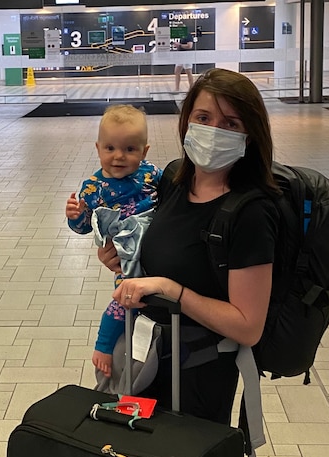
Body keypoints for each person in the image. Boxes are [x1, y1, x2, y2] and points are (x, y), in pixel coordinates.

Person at [98, 68, 280, 425]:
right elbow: (167, 256)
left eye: (230, 123)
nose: (213, 131)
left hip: (199, 376)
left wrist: (170, 289)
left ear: (249, 135)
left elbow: (247, 326)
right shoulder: (173, 178)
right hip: (146, 359)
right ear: (186, 122)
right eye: (203, 117)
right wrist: (125, 263)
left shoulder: (252, 212)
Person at [66, 104, 161, 379]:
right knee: (123, 300)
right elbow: (84, 227)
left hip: (155, 244)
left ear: (144, 152)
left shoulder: (151, 174)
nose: (118, 157)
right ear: (98, 148)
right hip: (126, 258)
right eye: (110, 149)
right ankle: (104, 346)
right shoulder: (92, 188)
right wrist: (76, 216)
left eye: (130, 150)